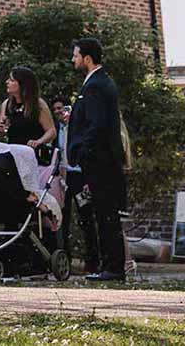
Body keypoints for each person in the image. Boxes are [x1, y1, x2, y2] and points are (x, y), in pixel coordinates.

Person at [69, 36, 128, 280]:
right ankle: (111, 266)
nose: (73, 59)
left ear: (87, 58)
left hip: (99, 160)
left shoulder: (95, 85)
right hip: (104, 159)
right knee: (106, 214)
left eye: (76, 55)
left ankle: (112, 268)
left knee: (105, 214)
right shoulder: (101, 83)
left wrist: (84, 151)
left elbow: (97, 124)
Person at [0, 65, 57, 156]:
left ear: (22, 84)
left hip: (32, 154)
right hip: (13, 153)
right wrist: (1, 130)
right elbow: (2, 130)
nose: (7, 82)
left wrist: (39, 141)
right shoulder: (6, 104)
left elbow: (51, 131)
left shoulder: (38, 104)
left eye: (12, 80)